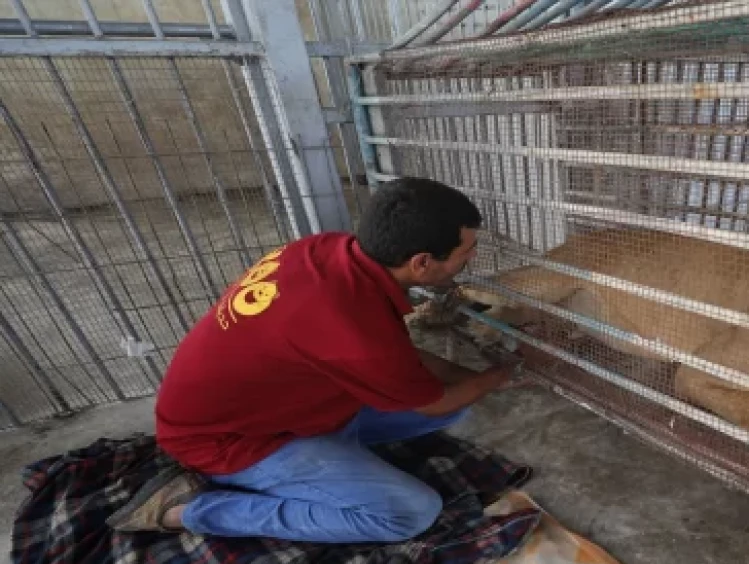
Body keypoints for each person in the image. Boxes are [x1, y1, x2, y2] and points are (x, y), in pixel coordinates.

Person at [108, 178, 516, 543]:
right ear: (421, 263)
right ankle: (187, 510)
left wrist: (472, 378)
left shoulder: (325, 249)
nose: (472, 258)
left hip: (266, 410)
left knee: (460, 402)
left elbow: (398, 360)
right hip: (227, 443)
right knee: (411, 512)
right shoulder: (354, 327)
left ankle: (333, 462)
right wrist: (502, 375)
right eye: (467, 251)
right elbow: (431, 399)